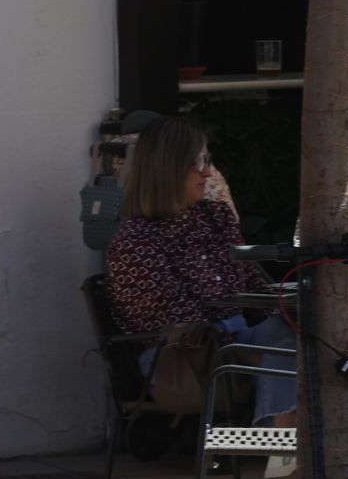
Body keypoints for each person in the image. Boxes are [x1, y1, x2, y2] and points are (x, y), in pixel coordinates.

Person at [103, 116, 295, 432]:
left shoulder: (214, 217)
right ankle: (287, 451)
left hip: (239, 343)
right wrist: (255, 337)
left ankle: (288, 452)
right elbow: (182, 325)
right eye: (198, 162)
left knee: (313, 345)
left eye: (208, 159)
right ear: (169, 167)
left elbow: (255, 285)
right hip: (183, 359)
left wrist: (290, 312)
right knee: (294, 357)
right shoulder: (136, 240)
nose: (207, 171)